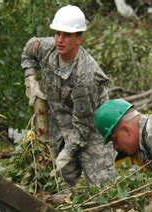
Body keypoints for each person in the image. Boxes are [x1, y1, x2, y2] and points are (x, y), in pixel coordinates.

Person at [21, 5, 116, 187]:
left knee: (103, 188)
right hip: (59, 123)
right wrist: (30, 77)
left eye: (66, 35)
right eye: (57, 33)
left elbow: (83, 124)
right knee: (57, 184)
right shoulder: (46, 47)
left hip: (92, 128)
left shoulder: (86, 75)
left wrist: (67, 153)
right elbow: (28, 51)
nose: (60, 40)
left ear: (79, 38)